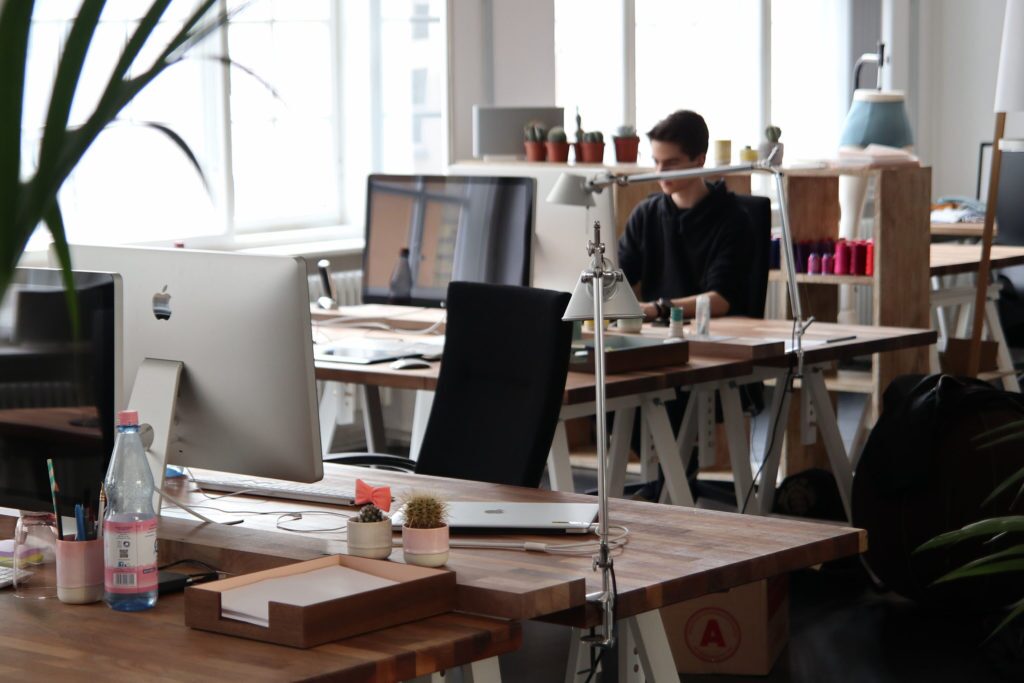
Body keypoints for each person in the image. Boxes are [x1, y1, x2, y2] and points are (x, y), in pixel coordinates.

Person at [618, 109, 754, 322]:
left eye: (671, 163)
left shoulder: (734, 219)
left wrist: (658, 309)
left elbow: (721, 299)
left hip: (715, 336)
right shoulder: (645, 214)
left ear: (700, 160)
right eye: (656, 161)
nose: (660, 172)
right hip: (655, 335)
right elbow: (618, 278)